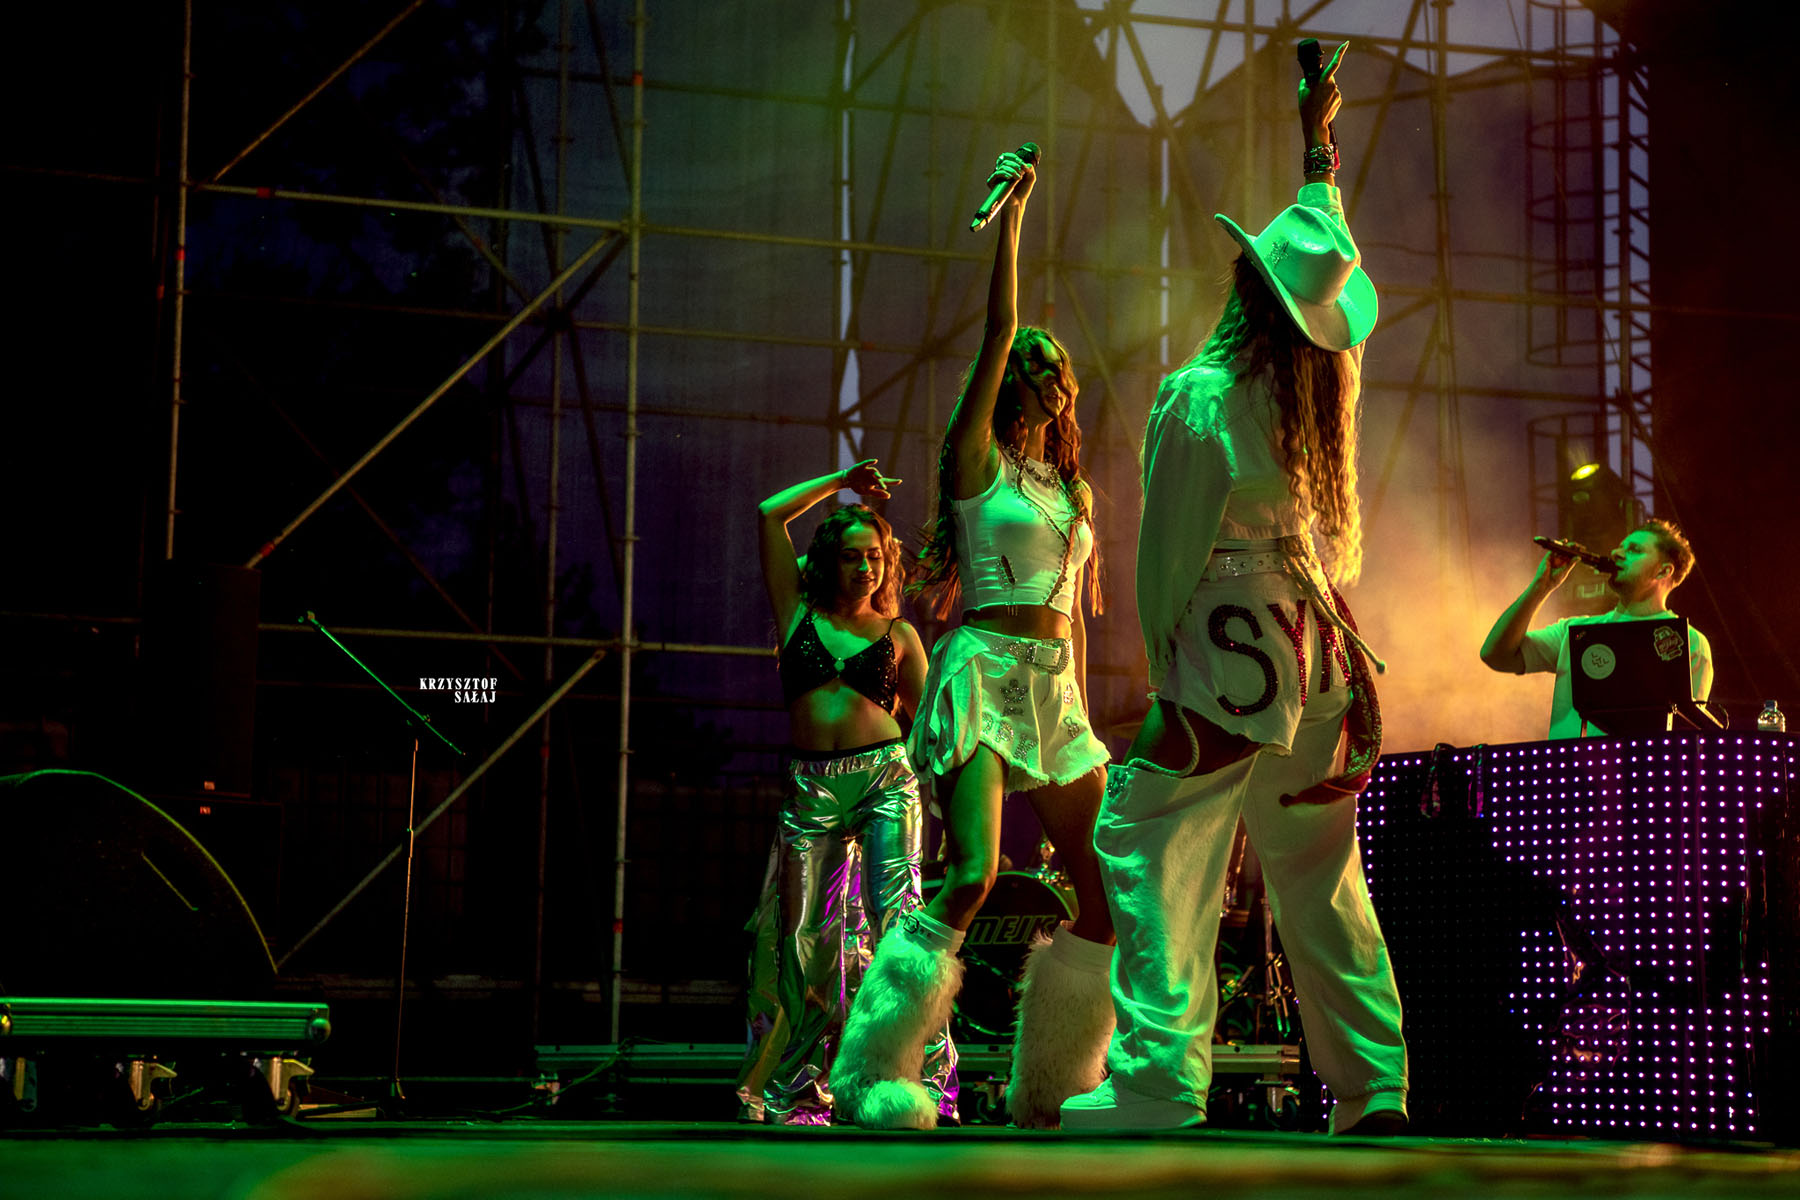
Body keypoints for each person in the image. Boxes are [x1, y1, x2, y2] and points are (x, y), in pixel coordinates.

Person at [1062, 43, 1409, 1135]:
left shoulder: (1202, 394)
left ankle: (1159, 1081)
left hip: (1231, 643)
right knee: (1320, 875)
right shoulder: (1320, 398)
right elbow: (1321, 242)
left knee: (1150, 834)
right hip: (1320, 647)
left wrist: (1163, 663)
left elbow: (1169, 553)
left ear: (1244, 289)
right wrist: (1318, 141)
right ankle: (1374, 1086)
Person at [831, 147, 1116, 1131]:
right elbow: (999, 328)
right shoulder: (975, 462)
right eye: (1033, 366)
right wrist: (1015, 220)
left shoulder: (1073, 490)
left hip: (1054, 685)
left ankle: (1054, 1087)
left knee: (1105, 891)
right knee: (974, 875)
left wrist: (1080, 710)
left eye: (1057, 366)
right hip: (983, 672)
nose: (1047, 375)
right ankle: (871, 1074)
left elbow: (1074, 614)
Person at [746, 459, 953, 1125]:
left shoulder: (900, 635)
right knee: (805, 940)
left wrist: (955, 816)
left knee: (902, 928)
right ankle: (807, 1090)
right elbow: (769, 514)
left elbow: (933, 733)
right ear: (827, 561)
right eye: (852, 556)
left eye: (875, 558)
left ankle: (926, 1080)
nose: (866, 568)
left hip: (887, 781)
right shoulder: (796, 615)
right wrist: (841, 481)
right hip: (812, 790)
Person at [1479, 518, 1714, 737]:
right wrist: (1542, 586)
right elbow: (1496, 655)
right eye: (1620, 547)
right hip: (1569, 768)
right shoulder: (1574, 631)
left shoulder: (1690, 642)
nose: (1616, 553)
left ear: (1663, 571)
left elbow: (1687, 731)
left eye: (1634, 550)